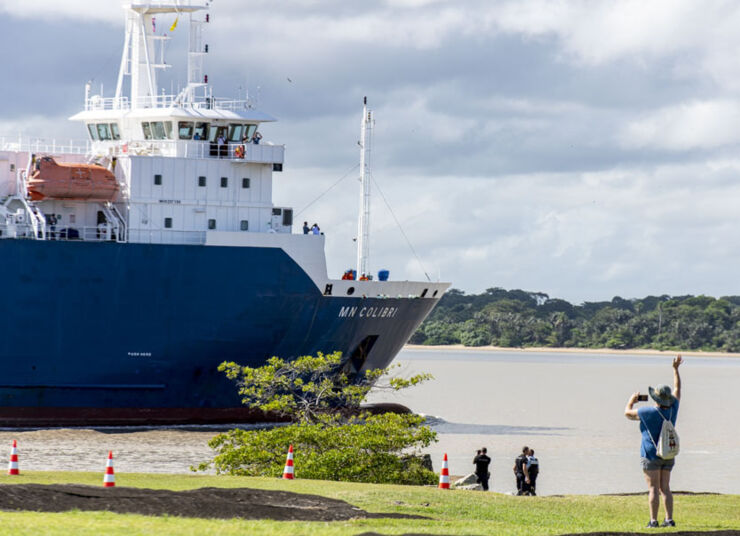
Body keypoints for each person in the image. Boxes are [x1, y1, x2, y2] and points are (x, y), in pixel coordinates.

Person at [625, 355, 683, 529]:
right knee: (665, 488)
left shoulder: (646, 412)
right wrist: (675, 369)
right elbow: (677, 388)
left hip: (650, 454)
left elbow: (627, 413)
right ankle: (669, 519)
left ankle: (653, 521)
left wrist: (631, 400)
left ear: (655, 398)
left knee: (653, 489)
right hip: (668, 452)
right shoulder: (673, 409)